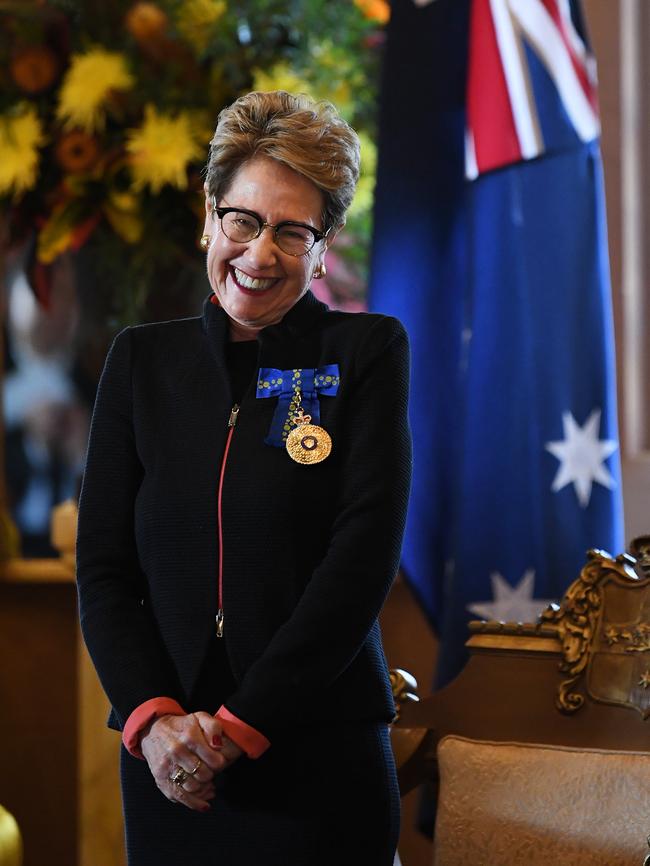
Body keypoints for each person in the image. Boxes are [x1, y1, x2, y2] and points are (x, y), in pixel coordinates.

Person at [76, 89, 412, 866]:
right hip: (169, 771)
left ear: (325, 247)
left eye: (294, 232)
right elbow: (102, 569)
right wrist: (157, 724)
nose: (260, 255)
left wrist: (239, 725)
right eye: (245, 220)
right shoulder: (140, 361)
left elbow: (360, 562)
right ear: (209, 214)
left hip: (317, 760)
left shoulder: (367, 352)